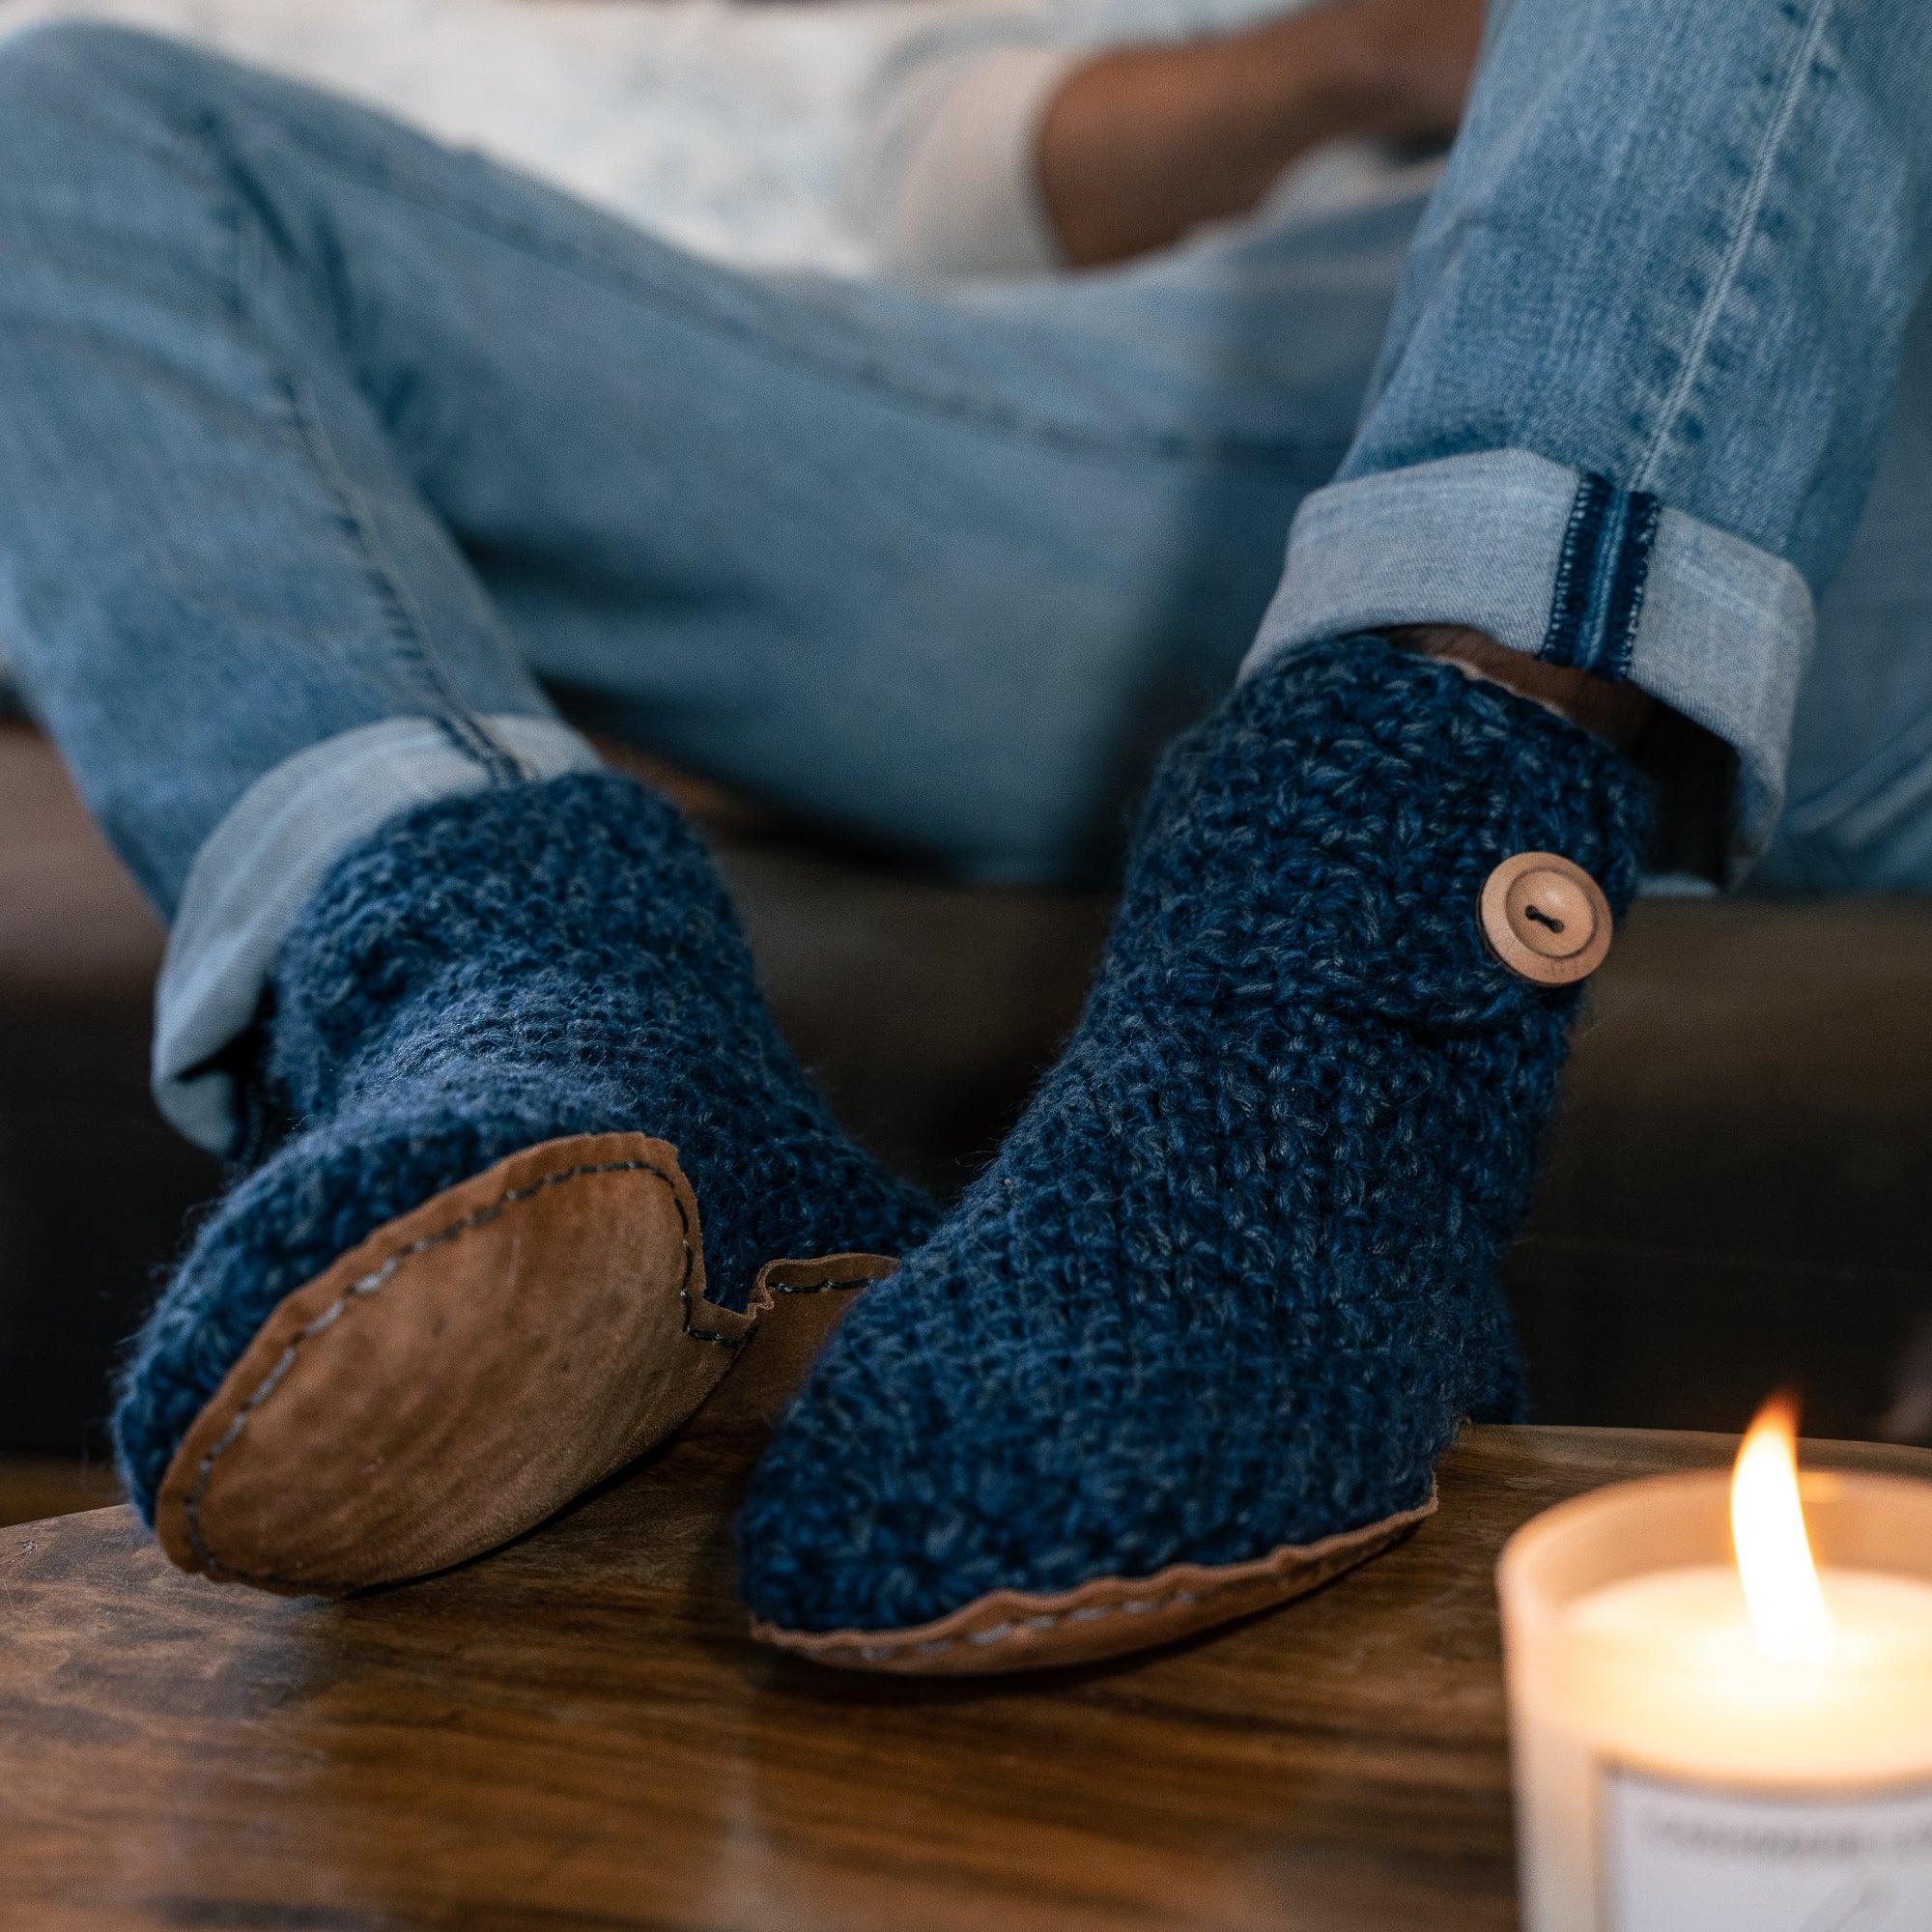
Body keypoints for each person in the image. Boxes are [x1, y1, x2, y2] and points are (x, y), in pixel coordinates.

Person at [0, 0, 1924, 1669]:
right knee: (64, 123)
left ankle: (1365, 947)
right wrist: (1370, 48)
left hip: (1856, 392)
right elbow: (948, 165)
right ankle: (532, 980)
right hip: (1296, 371)